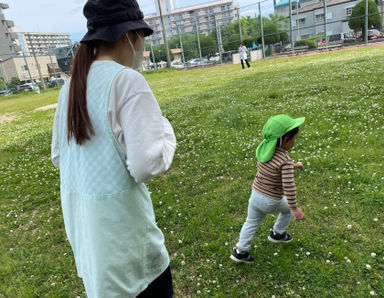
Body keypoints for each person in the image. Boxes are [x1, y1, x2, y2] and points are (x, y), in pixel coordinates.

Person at [51, 0, 176, 297]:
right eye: (142, 38)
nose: (142, 49)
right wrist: (167, 132)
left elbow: (59, 156)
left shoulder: (69, 88)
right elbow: (147, 164)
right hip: (132, 257)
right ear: (127, 36)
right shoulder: (127, 81)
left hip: (93, 252)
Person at [230, 114, 305, 264]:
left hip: (256, 195)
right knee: (287, 210)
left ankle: (240, 251)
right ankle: (278, 234)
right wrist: (294, 208)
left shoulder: (264, 152)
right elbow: (289, 187)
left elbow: (271, 169)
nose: (295, 141)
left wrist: (292, 166)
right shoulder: (285, 160)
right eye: (294, 138)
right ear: (284, 140)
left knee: (251, 222)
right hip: (271, 200)